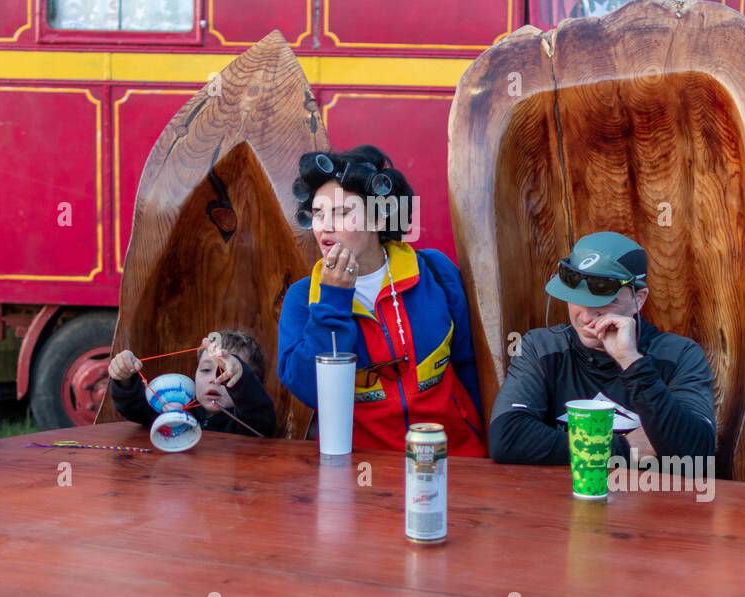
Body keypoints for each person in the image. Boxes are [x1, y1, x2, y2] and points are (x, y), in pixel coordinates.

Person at [277, 146, 485, 455]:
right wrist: (334, 299)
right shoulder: (303, 298)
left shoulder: (435, 272)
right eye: (318, 214)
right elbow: (311, 389)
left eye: (342, 212)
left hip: (456, 461)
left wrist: (485, 447)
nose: (325, 226)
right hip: (361, 473)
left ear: (377, 218)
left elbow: (470, 365)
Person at [489, 231, 716, 465]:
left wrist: (631, 362)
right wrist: (625, 447)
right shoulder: (542, 347)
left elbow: (696, 454)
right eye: (577, 298)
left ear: (639, 299)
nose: (586, 316)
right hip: (564, 497)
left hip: (651, 497)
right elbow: (506, 438)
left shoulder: (679, 355)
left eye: (603, 301)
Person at [107, 329, 278, 437]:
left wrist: (240, 376)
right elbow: (135, 409)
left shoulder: (249, 421)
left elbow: (260, 416)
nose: (214, 379)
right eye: (205, 370)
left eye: (224, 372)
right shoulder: (177, 409)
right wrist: (125, 378)